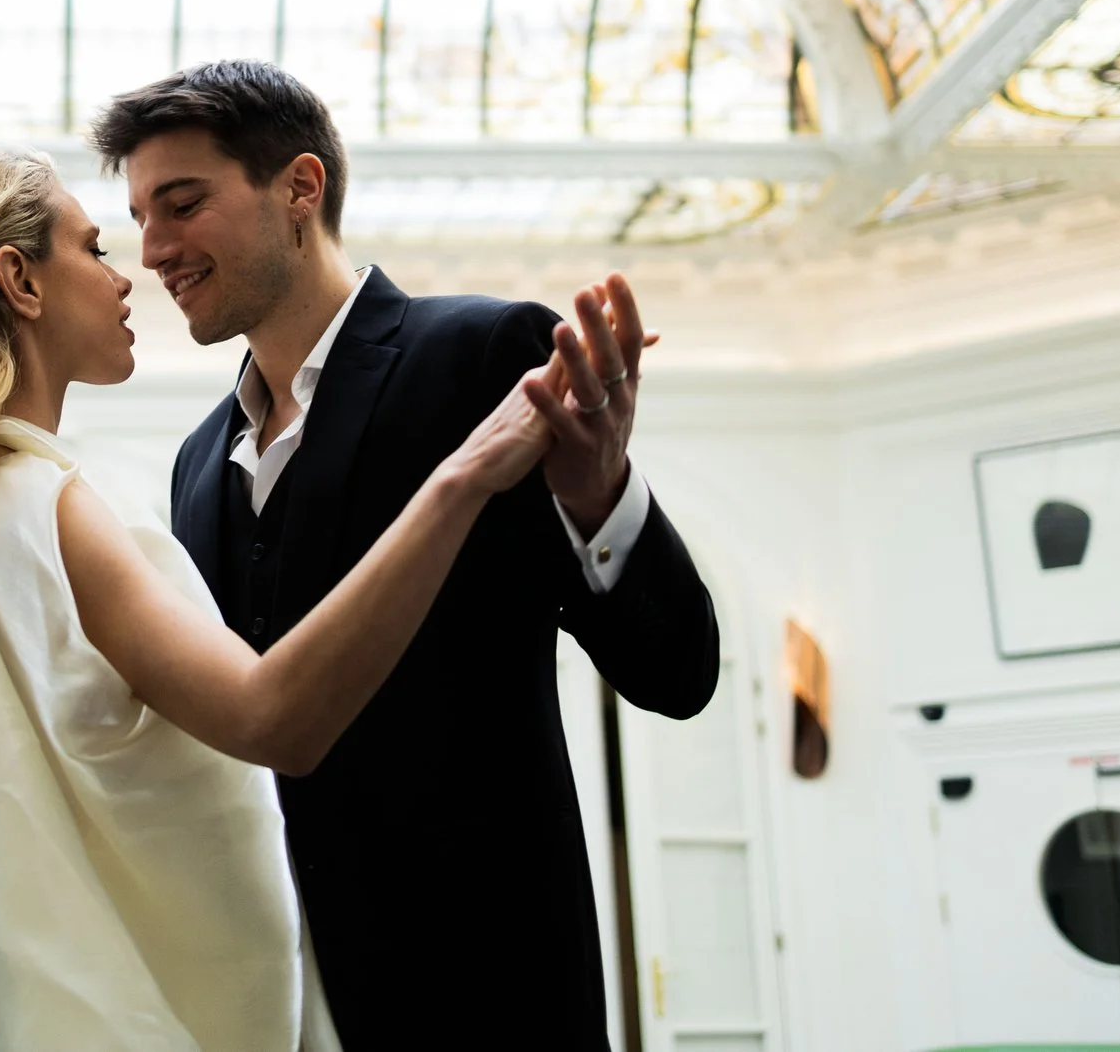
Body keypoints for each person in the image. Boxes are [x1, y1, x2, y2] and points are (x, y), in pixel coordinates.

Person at [0, 148, 627, 1049]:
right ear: (20, 280)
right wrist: (464, 475)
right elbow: (272, 716)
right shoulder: (45, 507)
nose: (130, 276)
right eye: (93, 250)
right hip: (164, 1014)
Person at [87, 60, 721, 1048]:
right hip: (269, 1001)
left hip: (488, 994)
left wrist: (597, 492)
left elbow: (677, 672)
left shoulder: (480, 356)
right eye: (136, 217)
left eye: (181, 203)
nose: (153, 249)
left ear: (300, 187)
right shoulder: (196, 466)